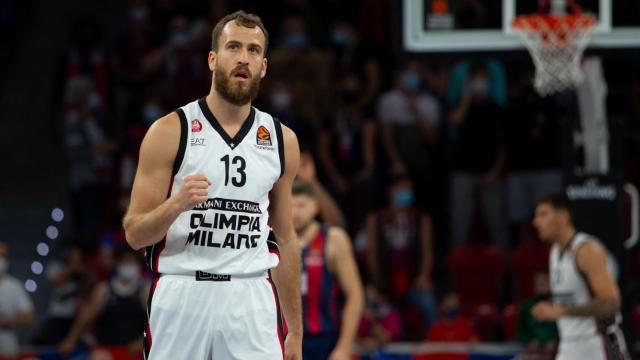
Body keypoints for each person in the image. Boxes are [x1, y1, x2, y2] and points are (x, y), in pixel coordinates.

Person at [122, 11, 302, 359]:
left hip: (251, 297)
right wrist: (176, 204)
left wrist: (294, 328)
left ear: (263, 66)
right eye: (233, 47)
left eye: (253, 51)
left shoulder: (282, 140)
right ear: (212, 58)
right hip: (182, 292)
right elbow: (134, 234)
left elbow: (286, 238)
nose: (243, 58)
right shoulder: (170, 131)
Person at [532, 192, 630, 359]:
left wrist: (560, 311)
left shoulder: (586, 250)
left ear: (563, 216)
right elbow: (574, 298)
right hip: (569, 344)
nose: (536, 222)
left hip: (599, 344)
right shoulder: (555, 252)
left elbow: (610, 303)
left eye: (543, 214)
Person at [292, 179, 364, 360]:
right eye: (290, 205)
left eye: (301, 205)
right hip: (285, 337)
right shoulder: (274, 239)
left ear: (315, 207)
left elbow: (355, 295)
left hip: (325, 340)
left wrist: (344, 347)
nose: (295, 212)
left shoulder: (333, 240)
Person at [366, 174, 438, 334]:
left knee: (427, 302)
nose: (406, 193)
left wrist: (424, 276)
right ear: (391, 192)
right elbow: (372, 256)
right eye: (401, 189)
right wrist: (378, 284)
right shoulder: (376, 219)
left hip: (413, 280)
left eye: (409, 190)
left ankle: (434, 342)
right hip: (386, 280)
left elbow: (428, 253)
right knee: (371, 307)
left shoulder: (421, 219)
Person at [448, 61, 508, 250]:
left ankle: (503, 271)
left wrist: (495, 171)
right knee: (460, 223)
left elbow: (503, 145)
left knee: (497, 222)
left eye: (484, 79)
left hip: (489, 173)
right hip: (463, 172)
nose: (480, 82)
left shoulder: (495, 109)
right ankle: (458, 271)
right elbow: (455, 121)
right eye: (476, 79)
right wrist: (466, 98)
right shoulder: (459, 105)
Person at [58, 246, 148, 359]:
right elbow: (86, 316)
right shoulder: (104, 289)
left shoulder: (145, 290)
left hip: (135, 351)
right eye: (123, 261)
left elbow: (155, 322)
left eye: (130, 261)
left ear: (138, 264)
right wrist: (70, 340)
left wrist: (143, 341)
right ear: (116, 263)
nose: (127, 265)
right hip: (107, 350)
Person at [0, 242, 36, 358]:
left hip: (8, 347)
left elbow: (30, 317)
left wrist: (5, 321)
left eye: (3, 256)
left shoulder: (14, 286)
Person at [517, 271, 559, 359]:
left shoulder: (559, 306)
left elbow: (565, 329)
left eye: (543, 283)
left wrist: (556, 341)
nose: (540, 287)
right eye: (537, 284)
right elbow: (521, 331)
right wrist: (528, 341)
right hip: (532, 351)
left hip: (557, 350)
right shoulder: (527, 306)